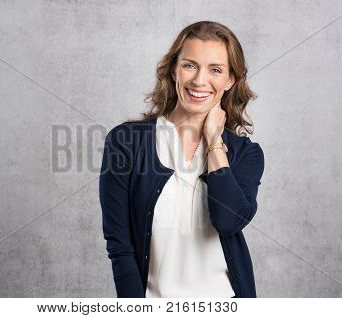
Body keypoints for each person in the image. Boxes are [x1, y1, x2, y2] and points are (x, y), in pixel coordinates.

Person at [99, 21, 265, 298]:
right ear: (173, 69)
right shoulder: (125, 141)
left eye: (215, 70)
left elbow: (228, 221)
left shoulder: (246, 154)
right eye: (189, 65)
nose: (200, 80)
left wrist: (214, 141)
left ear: (230, 80)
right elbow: (120, 245)